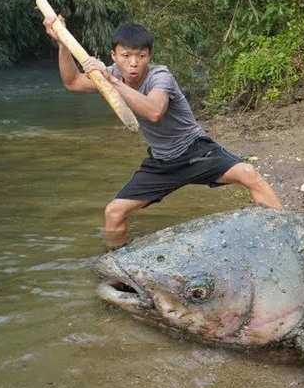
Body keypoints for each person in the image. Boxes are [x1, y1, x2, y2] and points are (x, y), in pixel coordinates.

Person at [44, 18, 282, 245]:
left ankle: (288, 233)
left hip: (196, 152)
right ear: (113, 56)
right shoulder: (112, 73)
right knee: (114, 213)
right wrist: (62, 43)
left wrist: (112, 82)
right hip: (162, 161)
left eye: (141, 56)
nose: (134, 63)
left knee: (248, 174)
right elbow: (72, 82)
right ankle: (116, 266)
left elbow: (154, 111)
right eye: (126, 56)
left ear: (149, 56)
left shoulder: (160, 76)